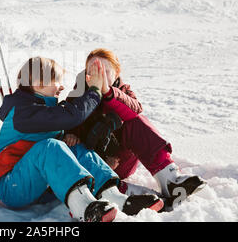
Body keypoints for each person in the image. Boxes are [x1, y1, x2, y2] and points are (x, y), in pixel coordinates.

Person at [0, 56, 164, 222]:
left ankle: (115, 197)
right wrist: (95, 90)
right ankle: (85, 207)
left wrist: (66, 137)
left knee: (73, 146)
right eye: (57, 81)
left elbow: (47, 129)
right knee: (50, 147)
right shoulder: (21, 112)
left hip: (38, 184)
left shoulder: (40, 108)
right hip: (11, 186)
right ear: (39, 83)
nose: (61, 87)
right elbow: (70, 116)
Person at [66, 48, 207, 209]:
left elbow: (135, 110)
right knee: (73, 147)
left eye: (105, 71)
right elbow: (71, 117)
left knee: (136, 120)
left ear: (117, 73)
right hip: (91, 161)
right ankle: (128, 195)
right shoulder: (78, 92)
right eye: (93, 71)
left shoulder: (124, 91)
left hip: (120, 161)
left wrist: (108, 92)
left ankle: (170, 180)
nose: (100, 76)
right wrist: (71, 133)